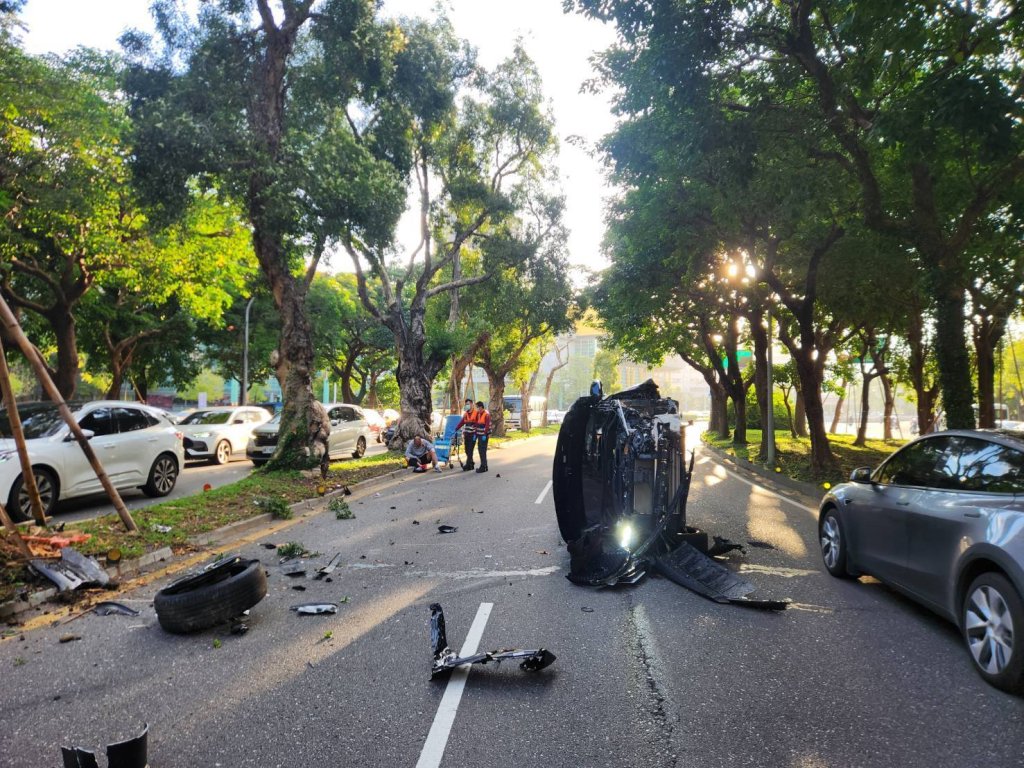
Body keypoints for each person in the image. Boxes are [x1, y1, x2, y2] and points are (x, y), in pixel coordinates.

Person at [454, 399, 478, 471]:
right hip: (467, 435)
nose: (467, 405)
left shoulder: (476, 413)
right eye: (466, 404)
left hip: (473, 435)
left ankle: (467, 465)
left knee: (470, 450)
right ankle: (471, 463)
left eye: (468, 404)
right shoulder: (466, 414)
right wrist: (456, 429)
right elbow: (462, 422)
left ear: (472, 404)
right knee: (467, 450)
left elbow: (479, 423)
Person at [473, 400, 491, 473]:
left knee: (482, 451)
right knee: (480, 450)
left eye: (477, 407)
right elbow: (477, 425)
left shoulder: (486, 414)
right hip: (479, 435)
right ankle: (484, 466)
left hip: (484, 436)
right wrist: (475, 434)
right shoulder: (478, 414)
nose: (476, 409)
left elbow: (487, 426)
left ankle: (483, 467)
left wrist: (484, 434)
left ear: (481, 407)